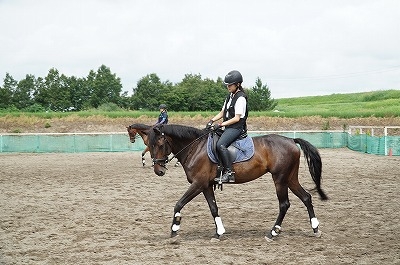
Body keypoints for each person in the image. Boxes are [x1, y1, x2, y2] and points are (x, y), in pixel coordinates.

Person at [206, 70, 248, 183]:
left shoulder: (241, 98)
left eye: (230, 85)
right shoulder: (229, 96)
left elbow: (236, 118)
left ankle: (229, 173)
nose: (228, 87)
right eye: (227, 85)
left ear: (238, 84)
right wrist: (211, 120)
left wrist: (220, 124)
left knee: (221, 144)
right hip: (228, 127)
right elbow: (222, 112)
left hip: (237, 128)